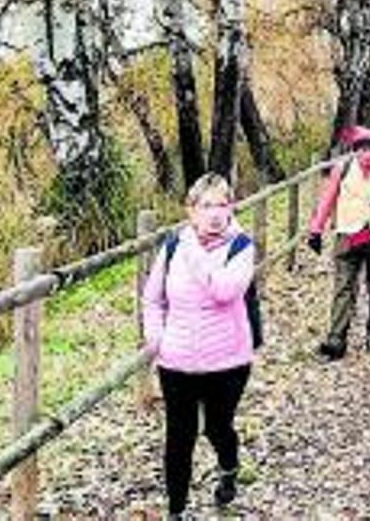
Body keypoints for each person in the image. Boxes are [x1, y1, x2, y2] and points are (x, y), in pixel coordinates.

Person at [141, 173, 256, 517]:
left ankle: (229, 465)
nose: (215, 213)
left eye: (222, 204)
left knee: (217, 427)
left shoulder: (241, 247)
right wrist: (157, 339)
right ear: (191, 210)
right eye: (207, 205)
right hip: (176, 362)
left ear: (231, 207)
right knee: (179, 437)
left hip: (227, 361)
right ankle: (175, 511)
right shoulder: (173, 245)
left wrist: (194, 251)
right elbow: (152, 299)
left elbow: (223, 291)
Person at [308, 127, 370, 360]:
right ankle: (336, 338)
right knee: (343, 287)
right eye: (363, 150)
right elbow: (327, 198)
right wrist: (316, 229)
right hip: (347, 233)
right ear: (355, 151)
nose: (368, 156)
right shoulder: (342, 169)